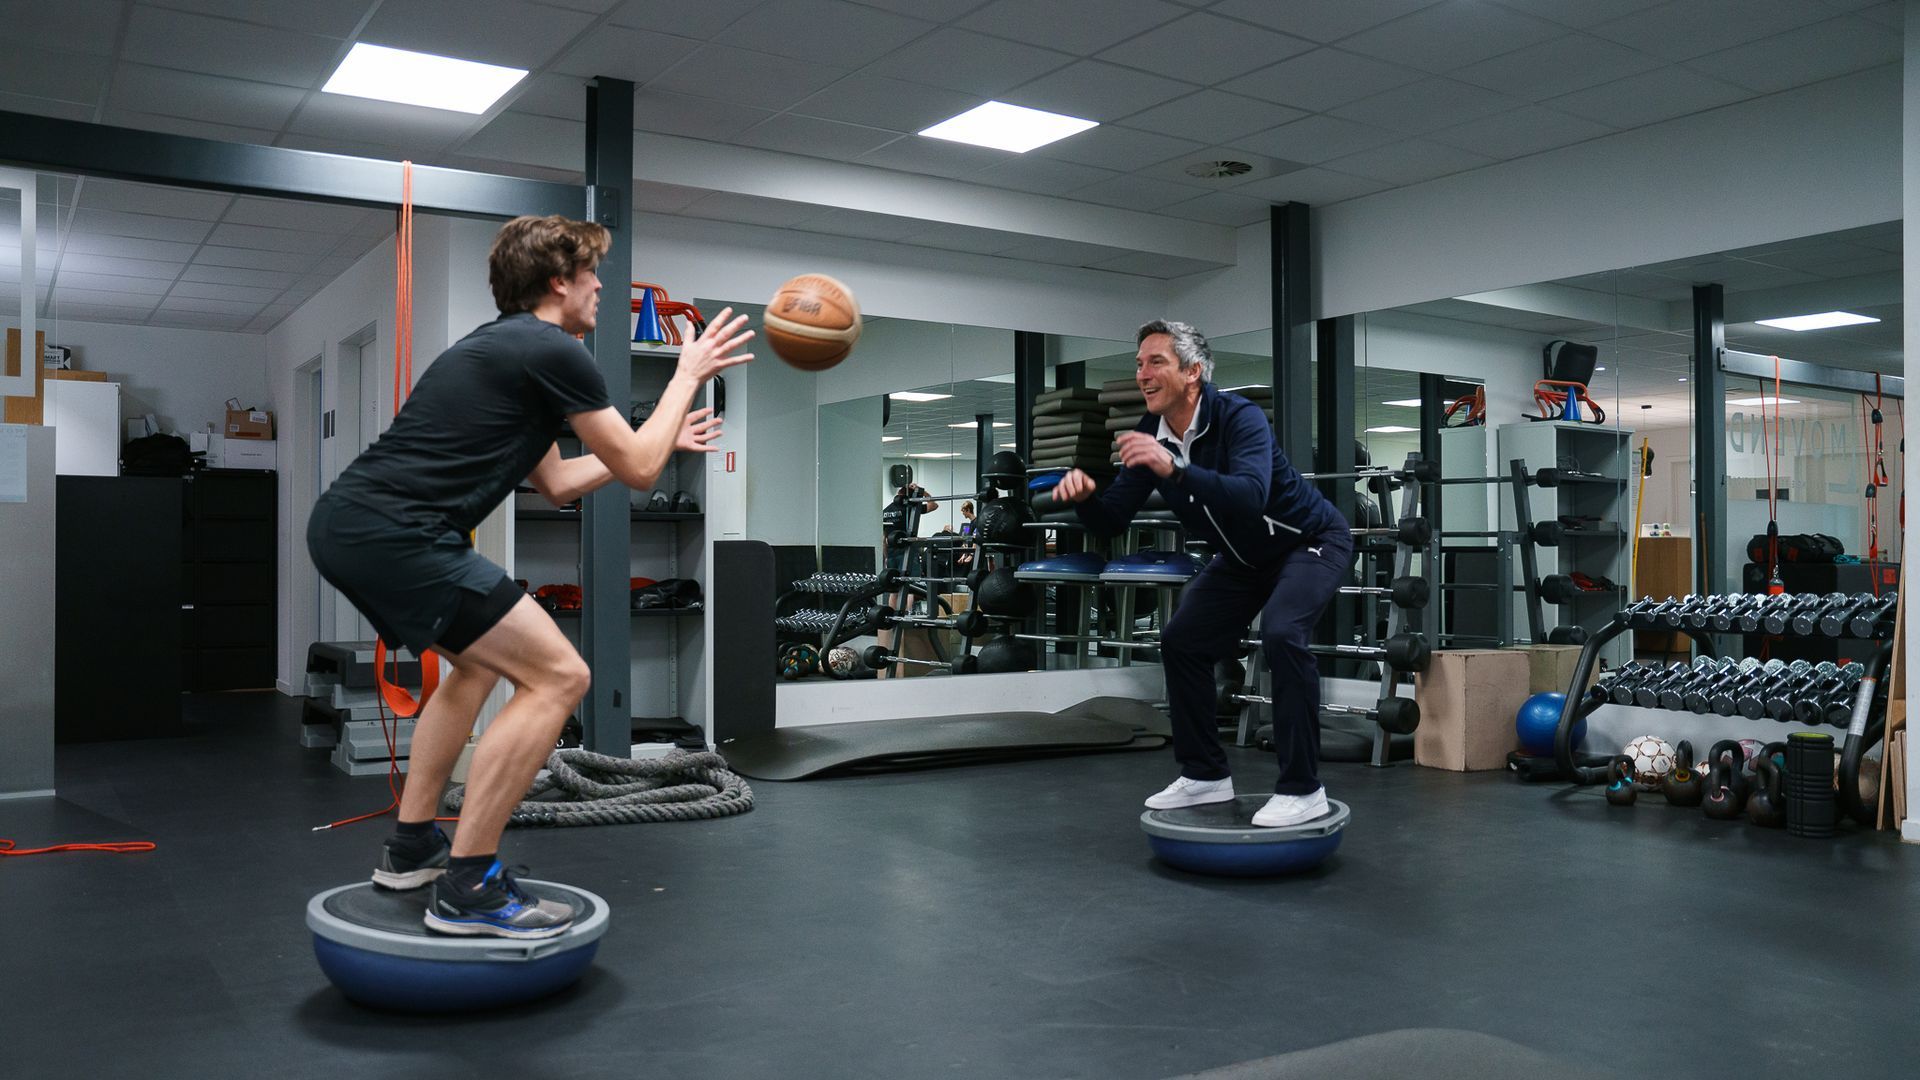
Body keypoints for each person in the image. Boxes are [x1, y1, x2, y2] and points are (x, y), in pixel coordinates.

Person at [307, 215, 753, 938]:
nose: (601, 287)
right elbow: (639, 467)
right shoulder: (551, 347)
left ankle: (413, 843)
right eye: (591, 275)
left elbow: (559, 483)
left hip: (357, 528)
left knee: (476, 671)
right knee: (559, 676)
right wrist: (687, 376)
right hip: (398, 535)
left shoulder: (512, 352)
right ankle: (470, 881)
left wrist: (664, 431)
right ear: (557, 282)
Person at [1052, 320, 1352, 828]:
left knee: (1282, 633)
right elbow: (1111, 520)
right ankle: (1205, 773)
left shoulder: (1240, 417)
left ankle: (1304, 789)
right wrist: (1084, 499)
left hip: (1309, 541)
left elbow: (1250, 495)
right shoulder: (1151, 434)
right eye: (1139, 364)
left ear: (1192, 372)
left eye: (1156, 363)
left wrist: (1174, 469)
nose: (1142, 374)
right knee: (1182, 641)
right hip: (1242, 559)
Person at [881, 464, 938, 574]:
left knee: (894, 587)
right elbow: (934, 505)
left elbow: (883, 538)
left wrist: (886, 556)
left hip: (891, 553)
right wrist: (922, 491)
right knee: (912, 586)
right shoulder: (909, 508)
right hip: (907, 552)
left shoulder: (885, 511)